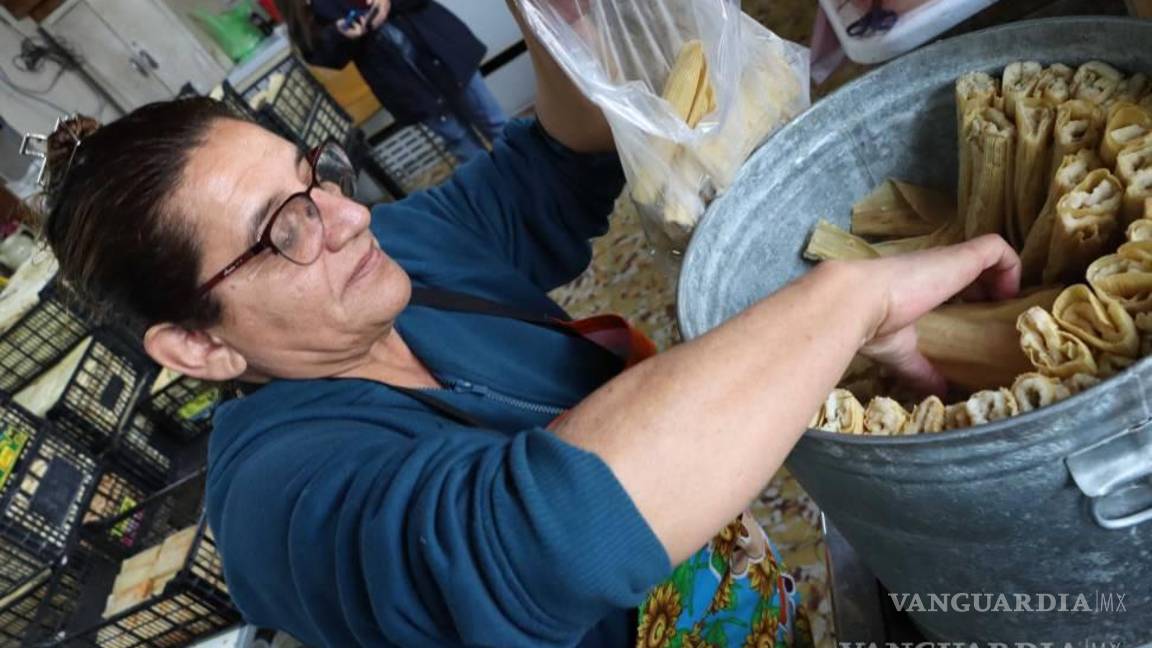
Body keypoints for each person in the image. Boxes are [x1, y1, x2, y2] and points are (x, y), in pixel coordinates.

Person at [39, 3, 1020, 646]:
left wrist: (551, 17)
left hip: (773, 587)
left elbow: (557, 157)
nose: (347, 217)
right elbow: (532, 536)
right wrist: (850, 296)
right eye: (282, 230)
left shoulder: (401, 256)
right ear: (199, 346)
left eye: (315, 178)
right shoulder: (279, 507)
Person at [278, 0, 508, 163]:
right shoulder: (299, 5)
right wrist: (341, 35)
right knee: (460, 143)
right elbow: (315, 50)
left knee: (493, 121)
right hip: (402, 83)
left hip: (440, 50)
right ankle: (502, 201)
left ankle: (535, 173)